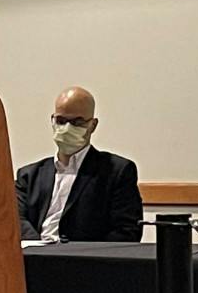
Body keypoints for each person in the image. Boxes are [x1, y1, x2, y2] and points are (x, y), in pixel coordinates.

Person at [15, 86, 143, 242]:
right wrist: (39, 248)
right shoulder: (28, 175)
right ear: (52, 120)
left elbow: (127, 232)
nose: (67, 128)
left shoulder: (117, 171)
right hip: (35, 259)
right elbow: (15, 220)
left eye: (77, 122)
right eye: (61, 121)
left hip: (85, 262)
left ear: (93, 125)